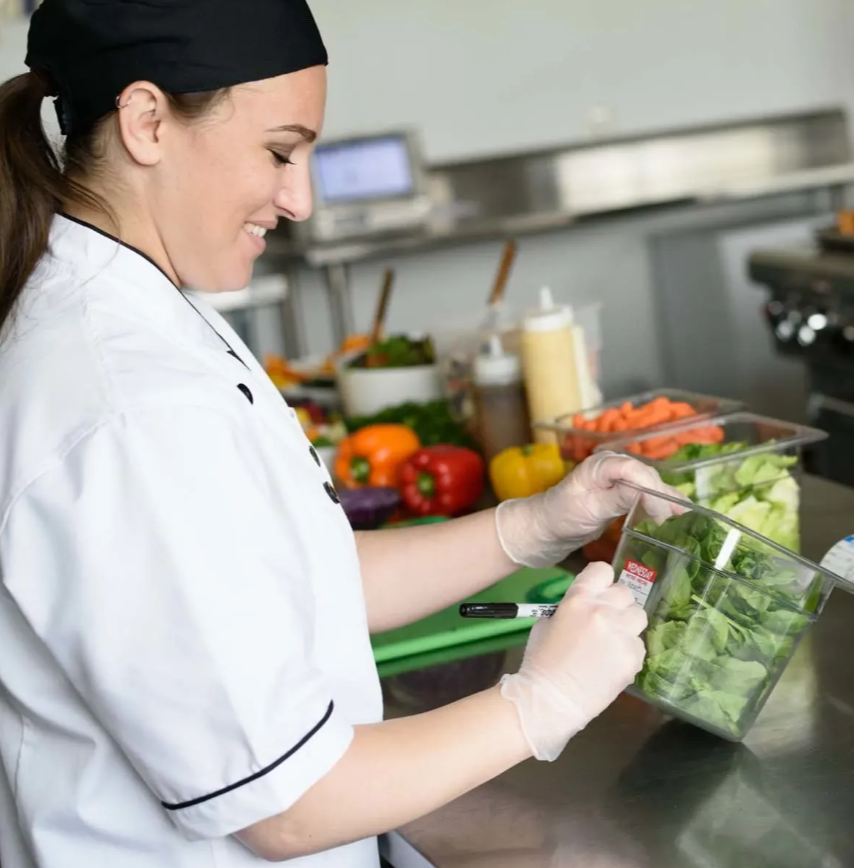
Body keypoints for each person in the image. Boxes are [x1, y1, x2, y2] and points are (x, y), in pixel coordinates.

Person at [0, 2, 676, 865]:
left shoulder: (146, 309)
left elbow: (293, 580)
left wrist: (537, 525)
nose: (300, 198)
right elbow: (288, 805)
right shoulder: (126, 400)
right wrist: (541, 700)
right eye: (280, 151)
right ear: (146, 122)